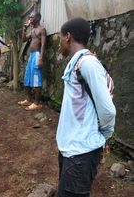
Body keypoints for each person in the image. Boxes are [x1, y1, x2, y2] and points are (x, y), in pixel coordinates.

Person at [56, 18, 116, 197]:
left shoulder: (88, 64)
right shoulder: (76, 63)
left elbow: (108, 110)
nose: (60, 42)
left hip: (81, 154)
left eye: (60, 37)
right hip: (72, 151)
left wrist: (103, 136)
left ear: (68, 37)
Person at [17, 12, 46, 110]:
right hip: (31, 56)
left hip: (37, 55)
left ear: (38, 18)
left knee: (36, 79)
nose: (30, 18)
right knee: (27, 77)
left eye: (32, 17)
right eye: (30, 17)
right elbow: (24, 40)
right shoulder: (33, 30)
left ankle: (36, 103)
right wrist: (24, 30)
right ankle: (28, 99)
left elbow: (43, 45)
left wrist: (41, 58)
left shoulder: (41, 30)